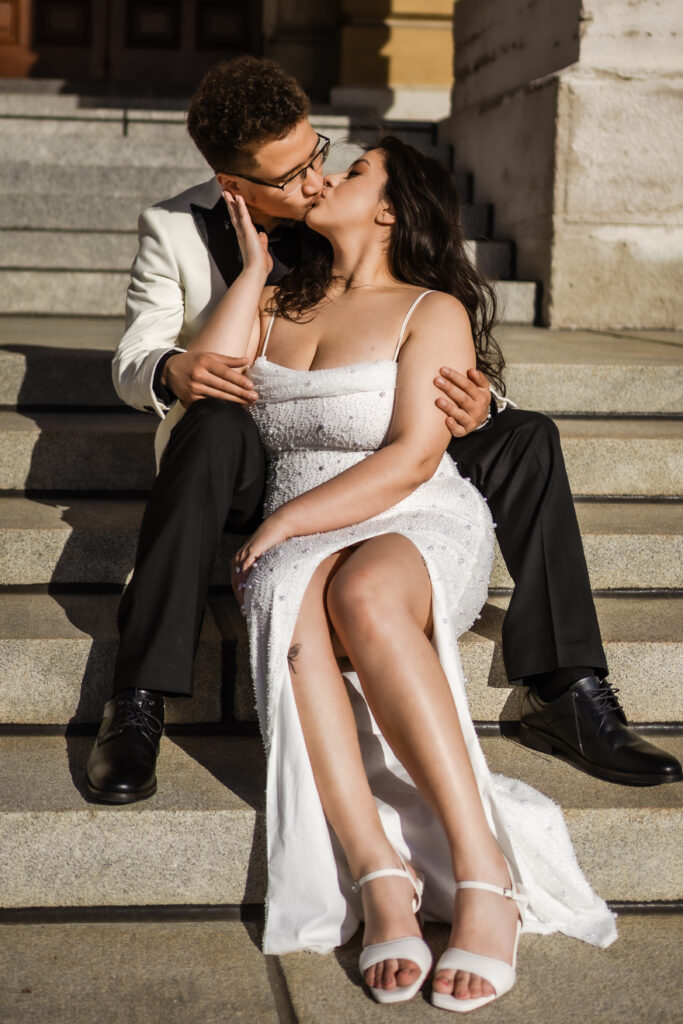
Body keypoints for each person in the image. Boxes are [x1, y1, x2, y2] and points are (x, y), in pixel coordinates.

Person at [85, 56, 681, 805]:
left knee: (523, 432)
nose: (314, 183)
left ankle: (566, 686)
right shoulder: (173, 228)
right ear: (234, 186)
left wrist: (478, 402)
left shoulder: (350, 204)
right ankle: (138, 697)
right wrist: (171, 370)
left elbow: (420, 307)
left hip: (374, 426)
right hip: (252, 447)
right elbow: (135, 353)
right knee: (209, 423)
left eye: (319, 156)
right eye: (290, 176)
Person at [155, 134, 618, 1009]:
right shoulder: (277, 301)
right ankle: (379, 878)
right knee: (291, 601)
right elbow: (204, 382)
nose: (325, 177)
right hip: (299, 526)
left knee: (363, 591)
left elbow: (412, 456)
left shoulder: (429, 308)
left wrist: (285, 518)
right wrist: (251, 271)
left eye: (353, 169)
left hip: (411, 514)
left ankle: (485, 878)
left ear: (391, 207)